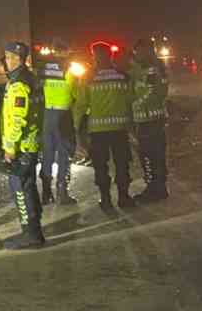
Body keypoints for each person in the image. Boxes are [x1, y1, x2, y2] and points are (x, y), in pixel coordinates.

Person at [72, 43, 135, 213]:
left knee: (101, 166)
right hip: (119, 129)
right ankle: (124, 197)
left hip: (98, 131)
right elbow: (131, 99)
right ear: (110, 56)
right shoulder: (122, 76)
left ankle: (106, 200)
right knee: (122, 164)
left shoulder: (88, 77)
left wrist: (76, 127)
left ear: (94, 56)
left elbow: (81, 104)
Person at [0, 41, 47, 249]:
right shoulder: (33, 80)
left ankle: (30, 233)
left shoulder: (19, 84)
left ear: (15, 59)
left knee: (20, 188)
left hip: (22, 147)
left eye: (7, 58)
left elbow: (18, 119)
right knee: (28, 187)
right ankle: (34, 230)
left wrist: (10, 148)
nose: (5, 62)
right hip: (32, 143)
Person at [129, 39, 170, 202]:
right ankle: (159, 187)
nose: (137, 55)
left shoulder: (151, 70)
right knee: (156, 156)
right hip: (154, 119)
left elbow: (151, 94)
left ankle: (154, 189)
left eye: (139, 52)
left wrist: (134, 105)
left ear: (147, 52)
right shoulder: (154, 68)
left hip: (149, 120)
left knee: (149, 155)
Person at [38, 42, 79, 205]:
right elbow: (75, 91)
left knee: (47, 153)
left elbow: (40, 88)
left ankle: (46, 193)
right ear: (66, 51)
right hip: (64, 115)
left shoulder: (45, 68)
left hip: (48, 114)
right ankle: (62, 192)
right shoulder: (70, 69)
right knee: (63, 153)